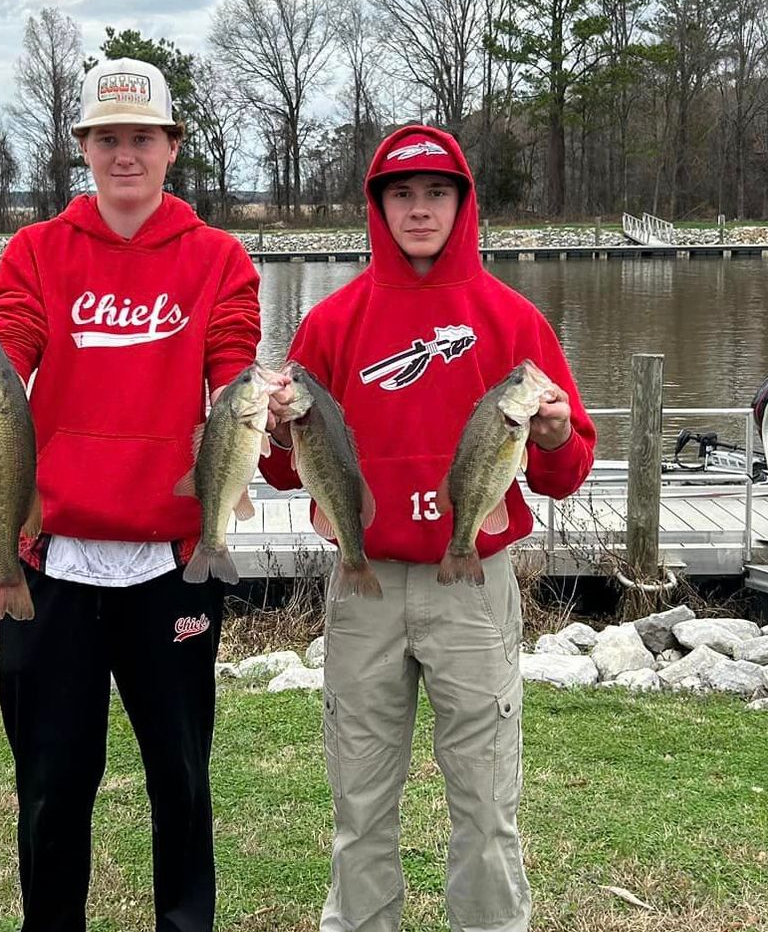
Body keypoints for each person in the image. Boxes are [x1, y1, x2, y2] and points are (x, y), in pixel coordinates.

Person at [0, 57, 261, 932]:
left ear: (172, 146)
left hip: (171, 566)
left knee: (180, 778)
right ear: (83, 147)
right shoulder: (37, 251)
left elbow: (232, 370)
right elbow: (12, 346)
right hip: (52, 565)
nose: (124, 154)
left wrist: (263, 403)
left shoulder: (219, 259)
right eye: (107, 138)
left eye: (142, 137)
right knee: (51, 781)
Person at [259, 125, 595, 932]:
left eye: (436, 192)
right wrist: (273, 429)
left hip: (474, 588)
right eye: (401, 193)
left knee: (485, 803)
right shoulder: (332, 323)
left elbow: (568, 463)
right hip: (362, 582)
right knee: (361, 800)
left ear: (462, 202)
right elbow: (279, 470)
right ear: (377, 206)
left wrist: (549, 436)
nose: (419, 209)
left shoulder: (514, 322)